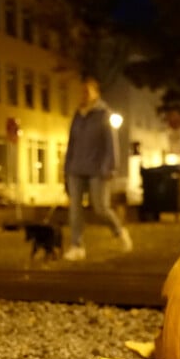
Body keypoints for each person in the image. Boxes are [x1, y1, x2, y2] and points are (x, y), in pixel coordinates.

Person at [62, 76, 132, 260]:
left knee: (100, 207)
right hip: (76, 169)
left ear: (96, 93)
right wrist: (66, 168)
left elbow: (111, 144)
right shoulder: (77, 115)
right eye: (81, 92)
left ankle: (119, 232)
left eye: (87, 91)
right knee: (75, 210)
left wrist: (110, 167)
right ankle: (77, 246)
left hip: (98, 170)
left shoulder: (103, 114)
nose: (83, 95)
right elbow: (72, 144)